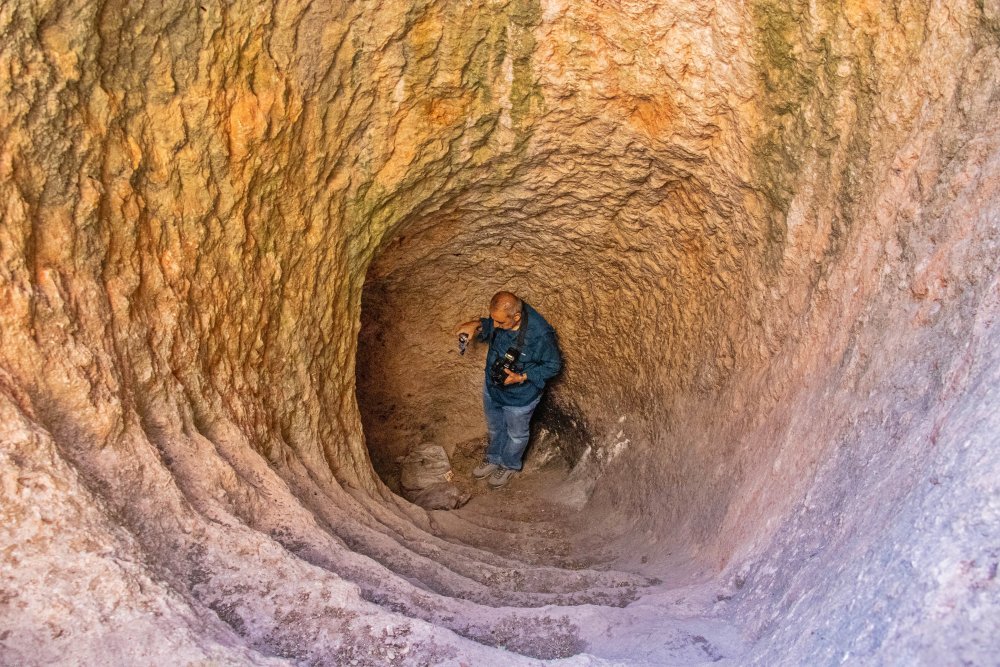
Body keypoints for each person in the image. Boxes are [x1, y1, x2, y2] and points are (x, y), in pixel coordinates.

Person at [455, 291, 562, 488]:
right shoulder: (504, 318)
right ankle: (494, 457)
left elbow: (553, 366)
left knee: (516, 435)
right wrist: (476, 324)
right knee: (496, 427)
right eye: (494, 321)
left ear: (517, 317)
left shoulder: (539, 336)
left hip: (520, 397)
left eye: (501, 323)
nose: (495, 326)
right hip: (493, 388)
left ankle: (509, 464)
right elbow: (492, 323)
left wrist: (521, 377)